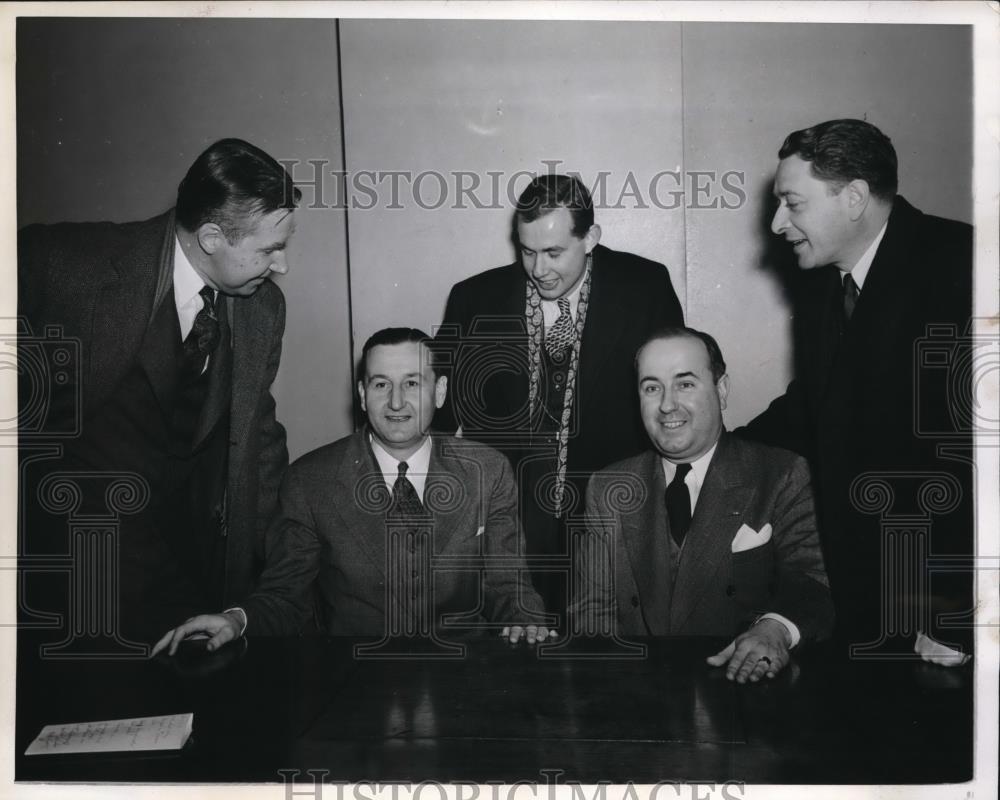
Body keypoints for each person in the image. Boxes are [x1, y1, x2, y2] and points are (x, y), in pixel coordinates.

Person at [18, 138, 299, 641]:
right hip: (61, 567)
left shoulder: (263, 309)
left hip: (184, 570)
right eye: (270, 249)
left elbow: (258, 440)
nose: (281, 265)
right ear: (212, 237)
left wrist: (260, 587)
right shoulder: (57, 264)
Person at [153, 328, 553, 654]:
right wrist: (236, 620)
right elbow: (285, 594)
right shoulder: (310, 480)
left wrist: (526, 623)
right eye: (381, 385)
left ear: (441, 391)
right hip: (353, 677)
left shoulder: (488, 469)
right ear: (362, 395)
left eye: (412, 383)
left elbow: (509, 585)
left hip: (462, 674)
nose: (396, 402)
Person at [740, 119, 973, 664]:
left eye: (792, 204)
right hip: (865, 601)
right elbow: (812, 407)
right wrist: (718, 452)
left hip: (944, 619)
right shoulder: (827, 285)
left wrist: (963, 618)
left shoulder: (964, 264)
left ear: (854, 198)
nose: (777, 224)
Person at [436, 174, 684, 617]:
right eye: (527, 252)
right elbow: (439, 418)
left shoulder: (644, 286)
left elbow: (675, 398)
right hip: (510, 517)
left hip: (612, 510)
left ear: (590, 237)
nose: (539, 270)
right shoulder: (475, 297)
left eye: (554, 252)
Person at [569, 327, 833, 683]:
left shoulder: (781, 474)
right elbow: (593, 612)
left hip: (741, 693)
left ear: (721, 390)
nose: (666, 404)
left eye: (685, 384)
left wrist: (774, 630)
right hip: (638, 693)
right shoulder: (609, 486)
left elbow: (814, 580)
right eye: (651, 388)